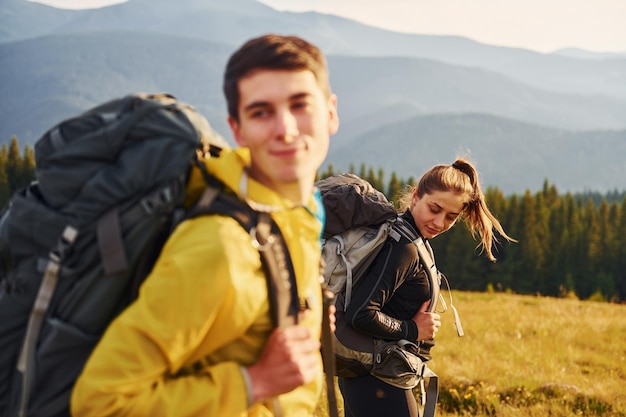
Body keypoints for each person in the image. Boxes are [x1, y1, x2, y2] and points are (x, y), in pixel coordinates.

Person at [71, 34, 339, 417]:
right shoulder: (219, 247)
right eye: (261, 112)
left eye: (300, 105)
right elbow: (100, 403)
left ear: (330, 112)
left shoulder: (299, 212)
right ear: (237, 129)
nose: (286, 129)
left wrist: (304, 312)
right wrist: (252, 383)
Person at [337, 159, 515, 417]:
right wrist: (414, 329)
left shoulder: (409, 238)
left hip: (371, 376)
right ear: (416, 196)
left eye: (451, 217)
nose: (439, 222)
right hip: (378, 380)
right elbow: (361, 313)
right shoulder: (403, 247)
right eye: (434, 209)